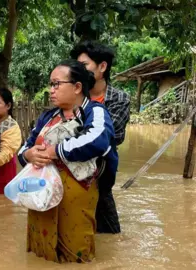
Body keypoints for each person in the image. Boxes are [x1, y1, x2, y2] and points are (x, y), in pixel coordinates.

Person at [18, 60, 118, 263]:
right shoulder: (47, 116)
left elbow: (97, 140)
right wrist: (28, 155)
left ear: (77, 87)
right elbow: (25, 146)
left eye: (56, 84)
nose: (51, 90)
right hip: (42, 194)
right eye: (50, 84)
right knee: (41, 251)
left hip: (76, 194)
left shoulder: (95, 112)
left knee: (75, 252)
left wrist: (55, 150)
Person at [70, 40, 130, 234]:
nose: (79, 70)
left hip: (101, 174)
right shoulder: (72, 96)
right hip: (71, 172)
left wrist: (77, 134)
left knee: (110, 235)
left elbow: (114, 136)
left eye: (84, 65)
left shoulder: (119, 99)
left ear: (102, 66)